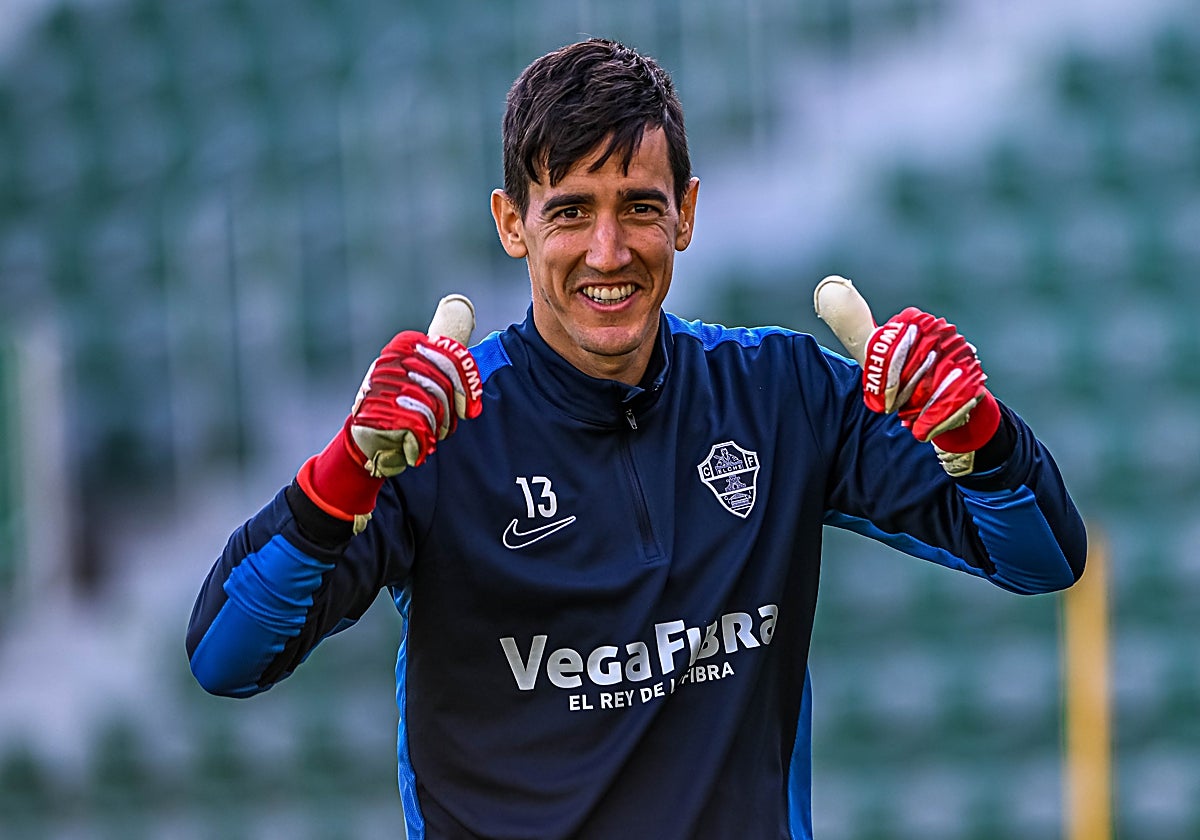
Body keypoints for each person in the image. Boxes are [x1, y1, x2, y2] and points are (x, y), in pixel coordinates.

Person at [187, 38, 1086, 839]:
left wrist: (979, 437)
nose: (608, 250)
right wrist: (346, 467)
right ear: (512, 223)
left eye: (640, 207)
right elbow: (226, 657)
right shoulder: (439, 434)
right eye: (571, 210)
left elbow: (1044, 558)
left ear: (686, 213)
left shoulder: (781, 393)